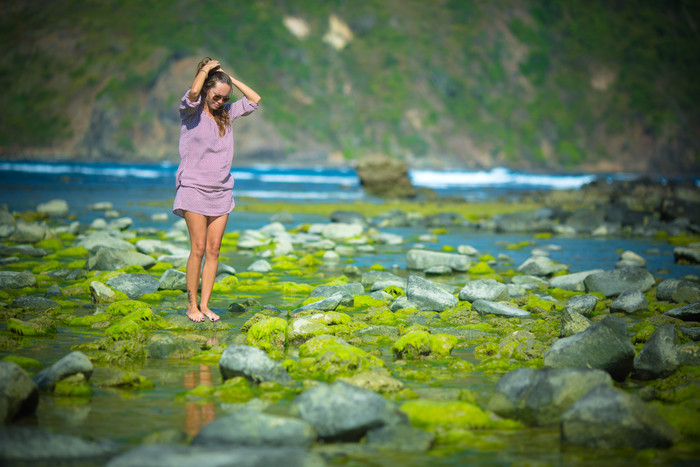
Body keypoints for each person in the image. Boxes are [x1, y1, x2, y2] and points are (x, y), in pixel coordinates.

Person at [173, 58, 261, 322]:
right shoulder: (191, 111)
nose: (220, 101)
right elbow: (192, 93)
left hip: (221, 191)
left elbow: (255, 99)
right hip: (193, 188)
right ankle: (191, 306)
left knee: (213, 250)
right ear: (206, 90)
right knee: (198, 248)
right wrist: (205, 71)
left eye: (225, 98)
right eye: (216, 96)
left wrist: (227, 78)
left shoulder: (228, 114)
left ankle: (205, 305)